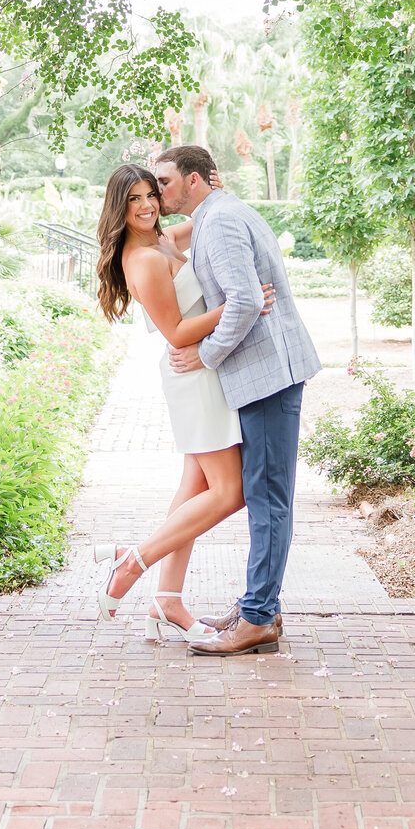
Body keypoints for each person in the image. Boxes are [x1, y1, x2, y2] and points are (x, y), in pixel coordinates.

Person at [93, 163, 274, 644]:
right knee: (229, 493)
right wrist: (243, 303)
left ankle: (166, 600)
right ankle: (133, 561)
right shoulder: (144, 260)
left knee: (193, 493)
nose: (148, 205)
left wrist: (213, 184)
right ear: (119, 206)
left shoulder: (160, 238)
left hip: (207, 371)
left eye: (151, 194)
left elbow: (207, 214)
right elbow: (175, 333)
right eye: (134, 199)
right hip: (193, 376)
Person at [154, 144, 321, 658]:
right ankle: (259, 606)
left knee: (268, 499)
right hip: (264, 373)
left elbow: (246, 301)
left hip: (267, 375)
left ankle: (256, 619)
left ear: (195, 181)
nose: (159, 190)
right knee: (264, 495)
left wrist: (205, 355)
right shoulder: (215, 215)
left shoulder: (220, 221)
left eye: (164, 180)